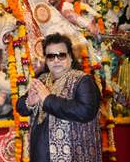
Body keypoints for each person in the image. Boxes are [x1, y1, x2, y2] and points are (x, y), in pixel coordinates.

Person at [16, 33, 102, 162]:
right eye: (51, 56)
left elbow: (86, 112)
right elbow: (21, 107)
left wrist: (47, 99)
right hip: (40, 154)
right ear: (46, 59)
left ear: (70, 57)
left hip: (73, 155)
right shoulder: (42, 79)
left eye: (61, 55)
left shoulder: (82, 80)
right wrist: (29, 102)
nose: (56, 60)